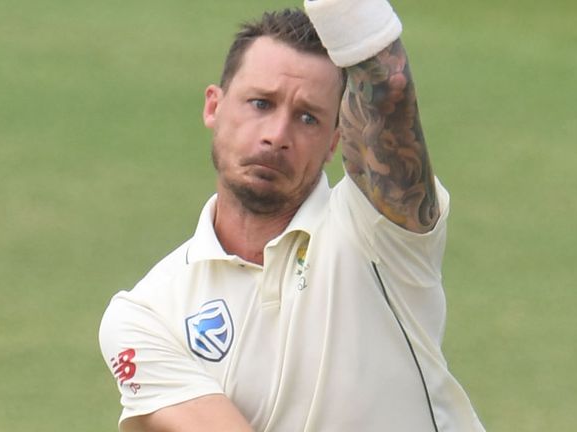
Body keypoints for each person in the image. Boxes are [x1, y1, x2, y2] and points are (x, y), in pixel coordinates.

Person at [99, 0, 485, 430]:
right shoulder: (148, 313)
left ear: (335, 140)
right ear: (214, 106)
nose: (277, 136)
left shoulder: (378, 231)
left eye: (307, 118)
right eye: (261, 103)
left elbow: (387, 90)